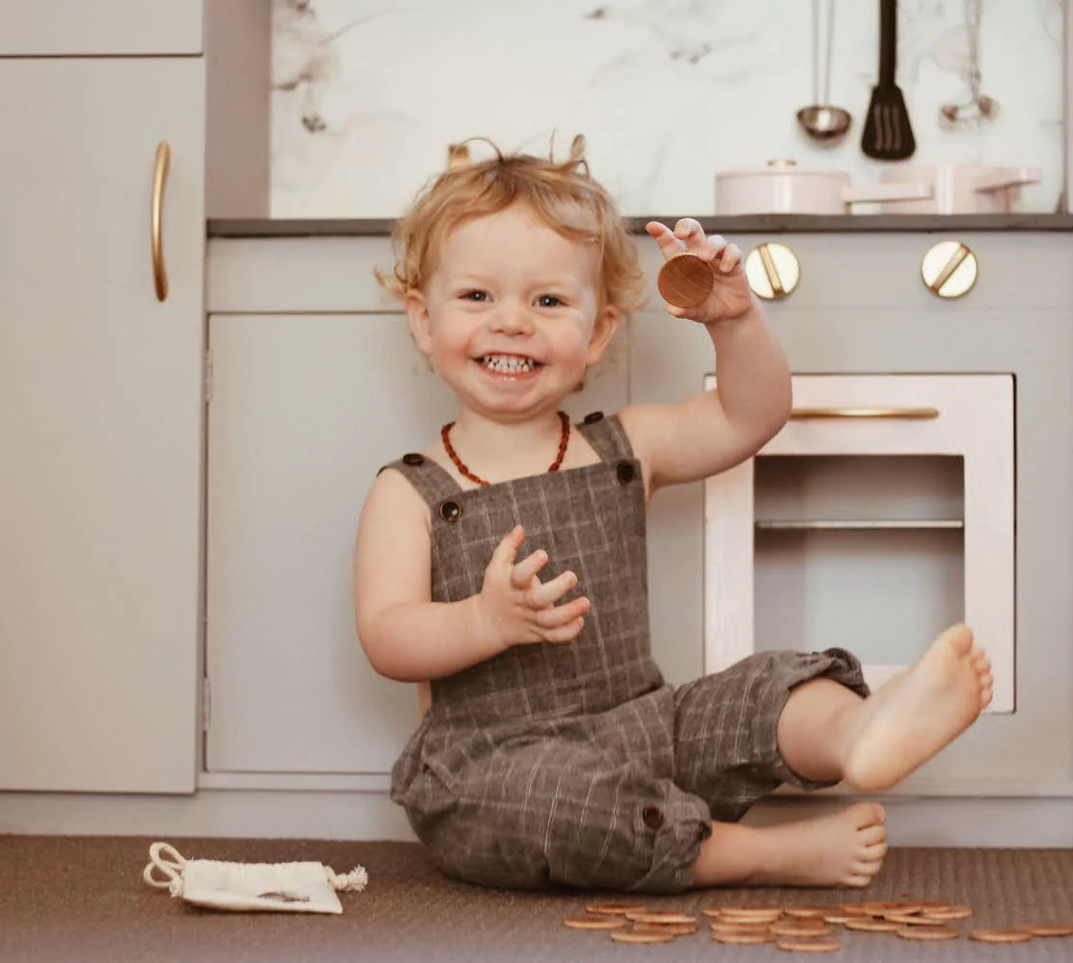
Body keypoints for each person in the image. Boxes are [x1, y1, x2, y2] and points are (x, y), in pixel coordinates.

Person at [354, 136, 993, 894]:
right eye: (477, 297)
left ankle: (857, 736)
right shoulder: (410, 490)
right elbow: (386, 635)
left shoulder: (626, 445)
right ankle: (756, 852)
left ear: (596, 334)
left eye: (548, 300)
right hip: (489, 763)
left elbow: (750, 414)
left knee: (757, 688)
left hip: (640, 725)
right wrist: (485, 620)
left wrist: (734, 321)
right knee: (562, 802)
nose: (513, 322)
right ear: (424, 321)